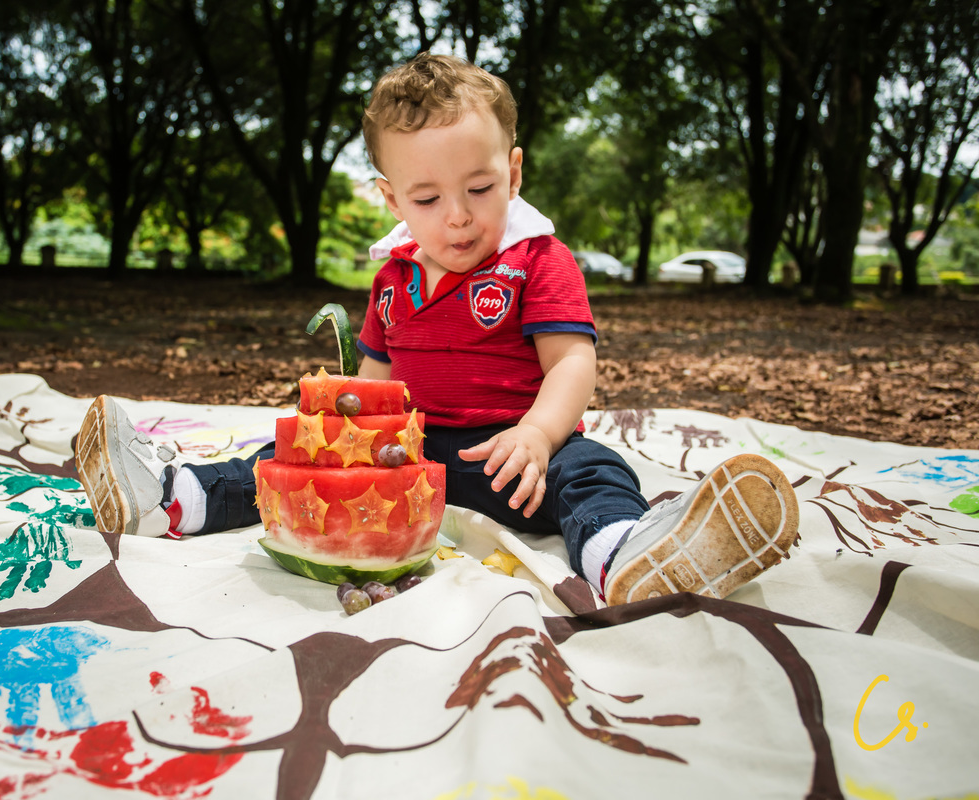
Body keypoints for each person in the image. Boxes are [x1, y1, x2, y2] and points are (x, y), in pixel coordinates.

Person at [75, 53, 799, 605]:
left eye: (479, 189)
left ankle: (626, 554)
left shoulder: (537, 260)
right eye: (427, 197)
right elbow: (373, 388)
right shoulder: (393, 279)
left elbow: (572, 363)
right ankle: (176, 497)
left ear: (512, 174)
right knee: (289, 455)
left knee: (596, 471)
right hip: (406, 456)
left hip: (513, 461)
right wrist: (341, 431)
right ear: (393, 197)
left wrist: (541, 436)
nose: (457, 214)